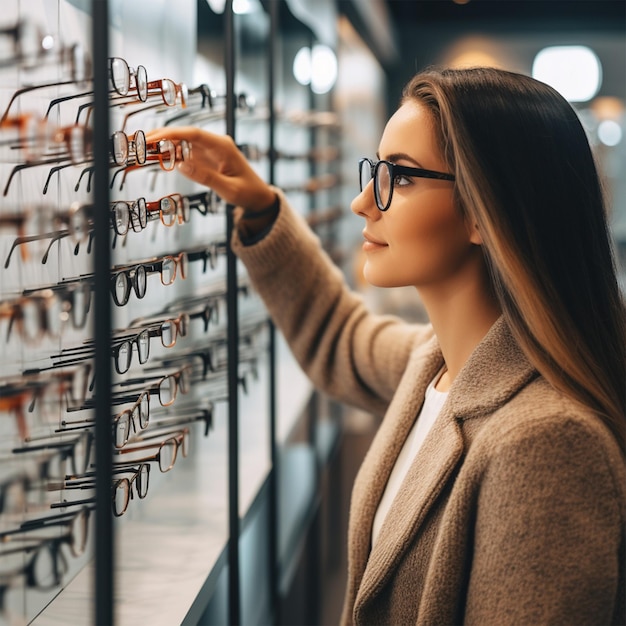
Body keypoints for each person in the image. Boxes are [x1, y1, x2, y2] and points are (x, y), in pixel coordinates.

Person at [148, 66, 626, 625]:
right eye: (376, 171)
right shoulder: (439, 366)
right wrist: (259, 207)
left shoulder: (547, 441)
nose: (362, 204)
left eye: (398, 177)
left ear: (483, 207)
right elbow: (340, 336)